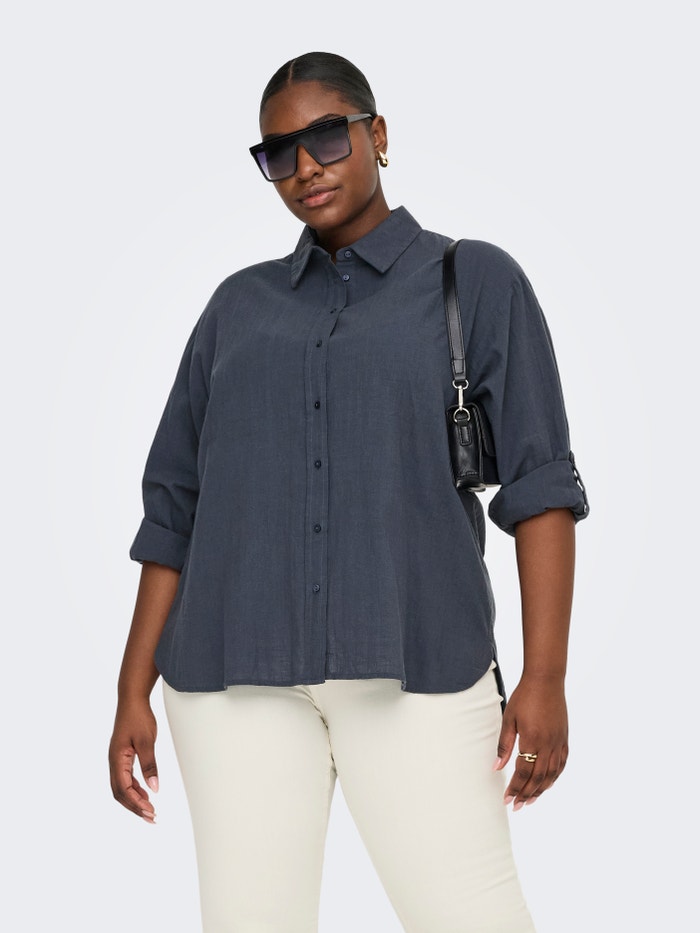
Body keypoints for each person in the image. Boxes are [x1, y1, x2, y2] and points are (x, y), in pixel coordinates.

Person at [109, 51, 590, 933]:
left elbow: (541, 486)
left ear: (377, 134)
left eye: (327, 136)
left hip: (420, 663)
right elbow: (174, 507)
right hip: (231, 676)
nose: (305, 166)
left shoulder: (475, 281)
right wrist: (130, 689)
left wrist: (546, 677)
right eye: (278, 152)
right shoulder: (236, 308)